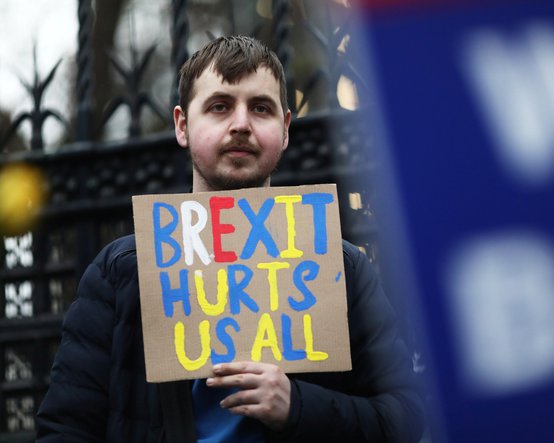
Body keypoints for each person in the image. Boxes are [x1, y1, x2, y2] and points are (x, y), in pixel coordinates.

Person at [36, 35, 424, 442]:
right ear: (183, 126)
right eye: (220, 106)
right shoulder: (122, 272)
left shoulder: (341, 269)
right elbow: (65, 430)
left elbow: (405, 419)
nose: (241, 124)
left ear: (286, 129)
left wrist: (297, 404)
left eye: (261, 108)